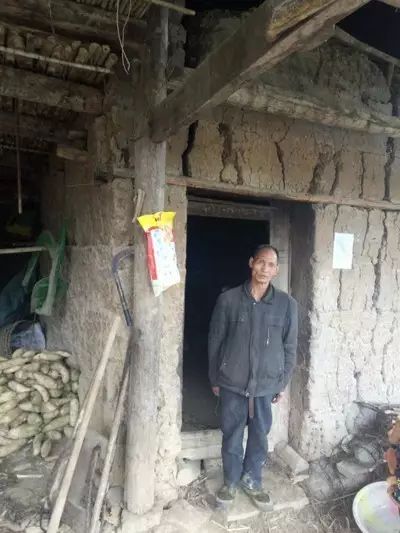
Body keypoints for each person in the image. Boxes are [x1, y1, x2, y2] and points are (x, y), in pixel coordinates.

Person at [208, 244, 298, 510]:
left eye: (270, 265)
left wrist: (282, 382)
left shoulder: (286, 305)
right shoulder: (229, 300)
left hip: (265, 384)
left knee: (259, 435)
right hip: (232, 382)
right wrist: (215, 378)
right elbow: (215, 341)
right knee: (232, 434)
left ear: (276, 270)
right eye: (260, 262)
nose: (264, 269)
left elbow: (290, 347)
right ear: (251, 263)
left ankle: (252, 480)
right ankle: (231, 482)